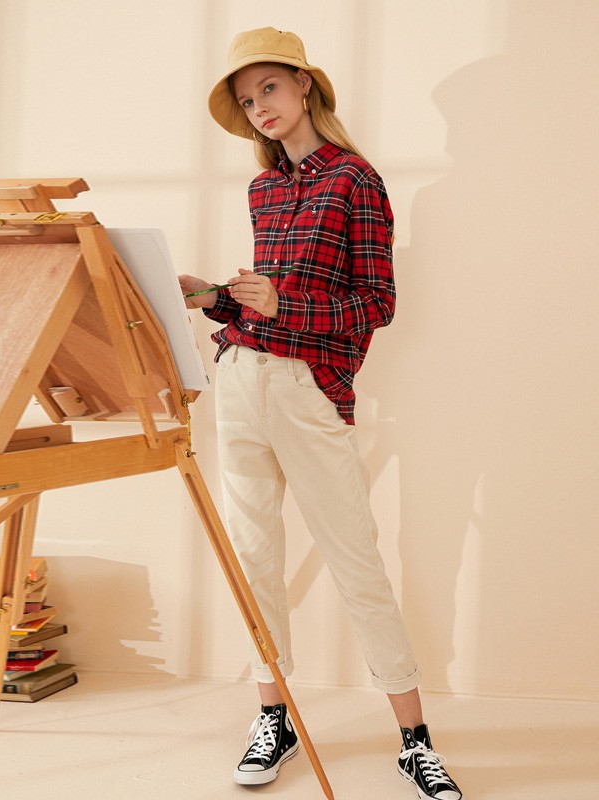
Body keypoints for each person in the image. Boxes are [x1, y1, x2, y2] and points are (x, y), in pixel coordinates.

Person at [179, 26, 463, 800]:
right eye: (247, 100)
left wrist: (284, 304)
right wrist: (214, 297)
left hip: (308, 392)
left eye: (268, 88)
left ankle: (414, 741)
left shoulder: (355, 181)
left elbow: (377, 304)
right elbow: (267, 303)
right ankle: (273, 719)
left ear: (305, 84)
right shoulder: (263, 190)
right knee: (254, 561)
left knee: (356, 564)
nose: (259, 108)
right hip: (241, 379)